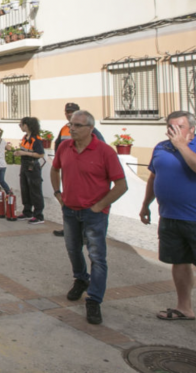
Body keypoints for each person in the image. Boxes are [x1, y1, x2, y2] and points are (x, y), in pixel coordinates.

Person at [140, 111, 196, 342]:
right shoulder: (161, 147)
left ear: (191, 128)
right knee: (179, 263)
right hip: (170, 216)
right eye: (170, 127)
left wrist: (181, 145)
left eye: (179, 126)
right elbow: (153, 177)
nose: (173, 131)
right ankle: (184, 308)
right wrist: (146, 205)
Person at [50, 110, 128, 325]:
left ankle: (94, 299)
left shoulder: (105, 152)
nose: (71, 128)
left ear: (90, 129)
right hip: (70, 210)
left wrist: (99, 206)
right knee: (73, 249)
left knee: (97, 256)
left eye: (76, 125)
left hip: (94, 214)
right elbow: (54, 169)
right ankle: (81, 279)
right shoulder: (65, 147)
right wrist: (58, 194)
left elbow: (121, 185)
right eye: (70, 124)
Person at [54, 103, 106, 236]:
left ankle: (85, 232)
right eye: (67, 112)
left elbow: (100, 151)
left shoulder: (91, 130)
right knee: (70, 202)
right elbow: (58, 146)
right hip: (70, 175)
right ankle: (69, 228)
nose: (69, 114)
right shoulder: (64, 129)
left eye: (73, 111)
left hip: (86, 177)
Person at [16, 117, 46, 224]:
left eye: (21, 124)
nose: (20, 126)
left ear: (27, 125)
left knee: (35, 190)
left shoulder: (36, 139)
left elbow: (41, 154)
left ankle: (38, 215)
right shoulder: (25, 137)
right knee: (25, 189)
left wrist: (24, 153)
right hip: (24, 165)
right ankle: (27, 211)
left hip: (32, 166)